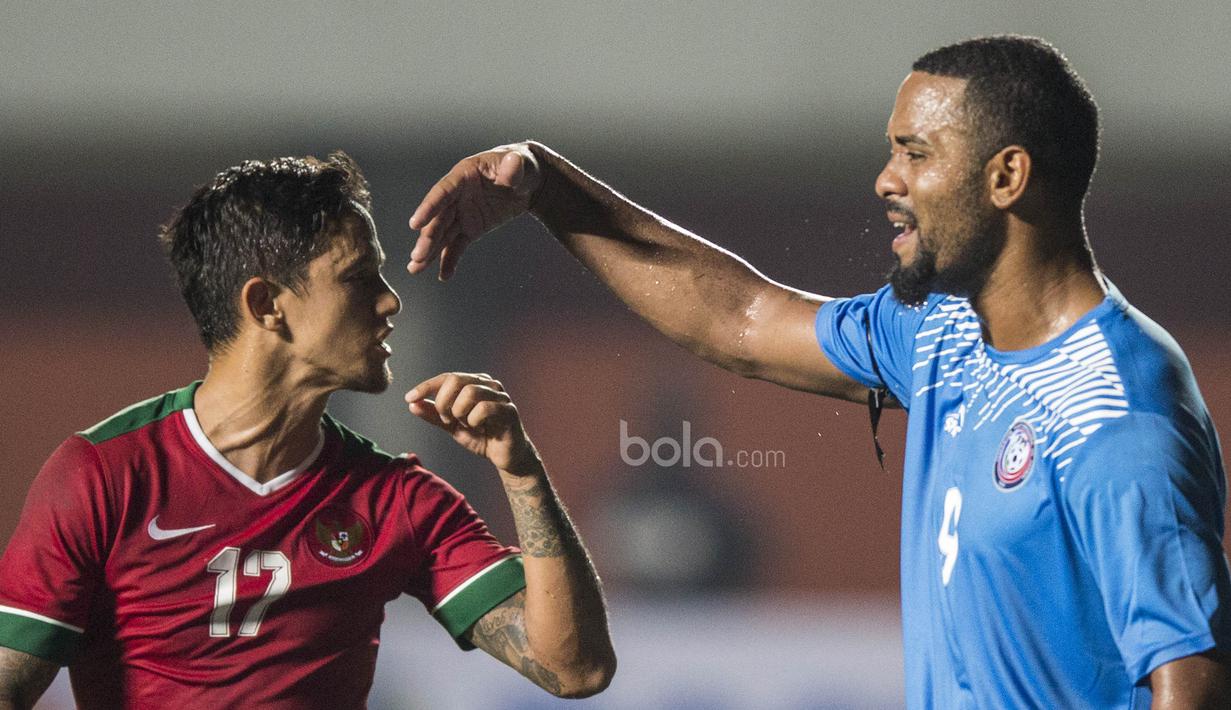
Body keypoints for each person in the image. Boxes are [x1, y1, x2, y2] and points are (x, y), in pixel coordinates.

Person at [405, 35, 1231, 708]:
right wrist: (551, 192)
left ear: (1006, 176)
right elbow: (740, 319)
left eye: (915, 152)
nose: (886, 180)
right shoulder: (947, 335)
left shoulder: (1114, 411)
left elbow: (1192, 676)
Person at [0, 153, 615, 709]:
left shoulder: (399, 499)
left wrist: (520, 469)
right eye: (358, 278)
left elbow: (574, 669)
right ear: (267, 304)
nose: (390, 301)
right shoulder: (104, 475)